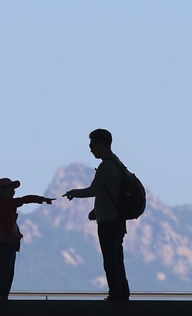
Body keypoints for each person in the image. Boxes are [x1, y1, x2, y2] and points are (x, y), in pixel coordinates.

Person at [62, 129, 131, 301]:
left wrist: (73, 192)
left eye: (92, 144)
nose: (90, 148)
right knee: (117, 258)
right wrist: (96, 211)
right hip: (118, 220)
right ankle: (123, 293)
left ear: (101, 144)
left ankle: (116, 295)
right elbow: (110, 192)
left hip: (109, 222)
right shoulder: (118, 164)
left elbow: (93, 190)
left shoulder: (106, 165)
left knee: (110, 259)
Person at [0, 177, 54, 301]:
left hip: (6, 244)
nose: (13, 191)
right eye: (10, 188)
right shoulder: (5, 203)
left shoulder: (4, 204)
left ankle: (2, 298)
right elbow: (25, 200)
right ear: (1, 191)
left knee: (7, 272)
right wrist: (42, 199)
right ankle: (0, 299)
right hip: (4, 244)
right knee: (5, 272)